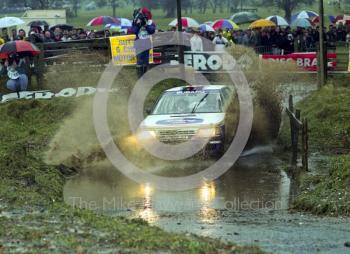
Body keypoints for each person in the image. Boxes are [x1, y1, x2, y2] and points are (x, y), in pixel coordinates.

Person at [132, 7, 156, 78]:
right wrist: (138, 25)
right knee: (139, 61)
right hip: (139, 43)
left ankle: (145, 76)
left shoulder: (150, 22)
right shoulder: (135, 21)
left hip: (146, 43)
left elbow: (152, 31)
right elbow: (134, 31)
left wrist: (145, 25)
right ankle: (139, 77)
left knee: (145, 61)